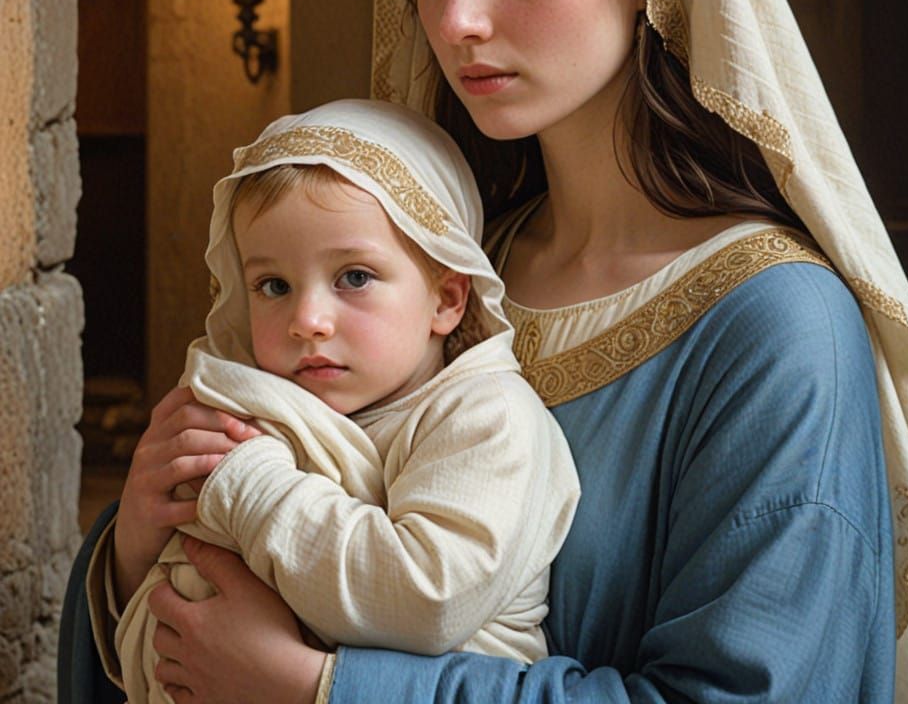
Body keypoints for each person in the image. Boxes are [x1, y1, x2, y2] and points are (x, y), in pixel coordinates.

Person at [60, 0, 908, 704]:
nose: (453, 21)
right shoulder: (423, 267)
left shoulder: (776, 326)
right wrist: (132, 547)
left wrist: (322, 687)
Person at [101, 99, 579, 702]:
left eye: (354, 277)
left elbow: (425, 598)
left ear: (447, 298)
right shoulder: (259, 408)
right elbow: (171, 575)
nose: (306, 320)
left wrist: (247, 485)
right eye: (273, 285)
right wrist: (136, 541)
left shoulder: (486, 416)